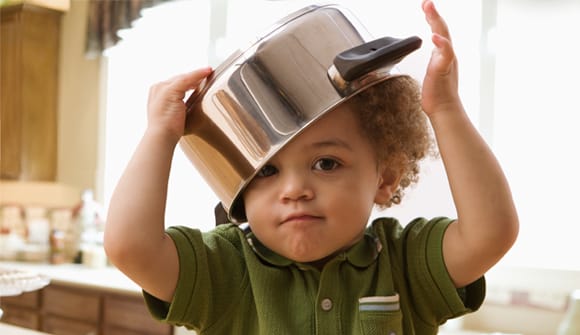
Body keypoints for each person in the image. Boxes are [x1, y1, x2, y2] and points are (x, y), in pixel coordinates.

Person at [104, 1, 519, 334]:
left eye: (326, 163)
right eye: (266, 172)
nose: (294, 189)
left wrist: (445, 109)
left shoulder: (405, 262)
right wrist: (160, 134)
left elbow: (491, 233)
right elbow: (129, 247)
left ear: (385, 176)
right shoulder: (225, 269)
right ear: (241, 192)